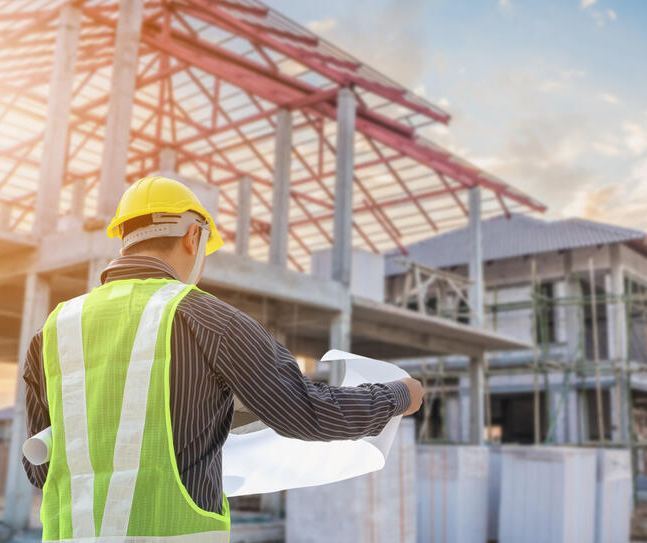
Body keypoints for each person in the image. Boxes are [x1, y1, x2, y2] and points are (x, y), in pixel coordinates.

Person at [22, 176, 424, 541]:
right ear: (193, 237)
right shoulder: (212, 322)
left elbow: (40, 468)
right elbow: (308, 413)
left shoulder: (53, 333)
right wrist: (397, 395)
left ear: (124, 238)